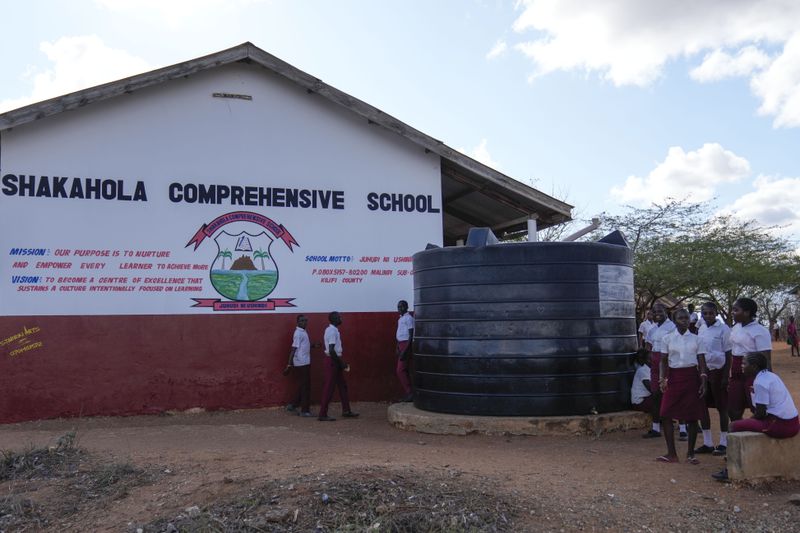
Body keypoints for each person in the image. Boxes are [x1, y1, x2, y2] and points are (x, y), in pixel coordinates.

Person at [712, 352, 799, 481]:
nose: (741, 366)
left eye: (744, 363)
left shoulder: (760, 382)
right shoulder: (771, 376)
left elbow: (761, 413)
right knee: (744, 424)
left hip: (779, 425)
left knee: (733, 426)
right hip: (792, 422)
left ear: (754, 367)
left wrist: (749, 421)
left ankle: (730, 470)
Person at [657, 309, 708, 464]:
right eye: (681, 318)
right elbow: (663, 360)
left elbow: (701, 361)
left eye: (687, 318)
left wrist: (704, 379)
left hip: (692, 377)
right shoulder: (667, 339)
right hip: (673, 377)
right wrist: (662, 378)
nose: (685, 320)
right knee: (665, 414)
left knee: (692, 416)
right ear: (674, 320)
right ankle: (671, 453)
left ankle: (690, 454)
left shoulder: (696, 339)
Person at [694, 302, 732, 456]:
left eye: (711, 313)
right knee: (702, 406)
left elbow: (728, 354)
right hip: (704, 372)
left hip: (718, 371)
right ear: (701, 314)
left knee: (722, 407)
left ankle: (723, 442)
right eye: (704, 313)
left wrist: (725, 376)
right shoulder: (701, 329)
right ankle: (707, 443)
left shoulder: (724, 329)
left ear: (716, 313)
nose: (708, 315)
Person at [728, 298, 772, 423]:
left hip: (753, 371)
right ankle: (738, 439)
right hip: (736, 371)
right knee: (733, 410)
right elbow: (734, 350)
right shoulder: (736, 327)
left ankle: (761, 437)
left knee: (757, 409)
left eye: (736, 310)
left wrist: (767, 381)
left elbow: (766, 359)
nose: (732, 312)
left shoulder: (760, 331)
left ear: (747, 312)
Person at [318, 311, 359, 422]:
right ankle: (322, 413)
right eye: (339, 317)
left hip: (334, 360)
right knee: (329, 388)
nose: (341, 318)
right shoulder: (332, 331)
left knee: (342, 386)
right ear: (334, 319)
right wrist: (342, 363)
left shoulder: (332, 330)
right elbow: (331, 350)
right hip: (333, 361)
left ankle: (346, 410)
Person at [642, 303, 675, 438]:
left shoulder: (672, 327)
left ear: (665, 311)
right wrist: (648, 356)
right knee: (655, 394)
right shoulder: (652, 328)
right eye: (654, 311)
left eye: (660, 311)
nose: (657, 313)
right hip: (655, 363)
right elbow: (648, 345)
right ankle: (656, 428)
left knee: (671, 394)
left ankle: (683, 427)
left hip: (668, 361)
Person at [284, 314, 315, 417]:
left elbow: (302, 346)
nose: (304, 322)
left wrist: (313, 346)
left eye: (305, 320)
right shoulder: (298, 333)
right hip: (302, 363)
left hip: (305, 361)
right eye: (302, 321)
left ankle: (292, 405)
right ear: (297, 322)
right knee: (306, 387)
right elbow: (293, 349)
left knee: (303, 385)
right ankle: (304, 411)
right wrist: (289, 365)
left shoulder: (303, 332)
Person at [395, 300, 414, 402]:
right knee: (404, 370)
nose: (399, 309)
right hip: (401, 345)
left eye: (402, 307)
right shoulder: (400, 319)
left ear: (406, 307)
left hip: (406, 345)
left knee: (400, 370)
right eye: (398, 307)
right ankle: (409, 393)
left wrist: (405, 350)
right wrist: (397, 347)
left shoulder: (409, 318)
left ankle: (410, 392)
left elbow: (411, 335)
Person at [631, 349, 654, 420]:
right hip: (640, 401)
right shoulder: (642, 370)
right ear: (647, 360)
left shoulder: (652, 369)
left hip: (647, 398)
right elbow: (651, 389)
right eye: (650, 359)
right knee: (660, 400)